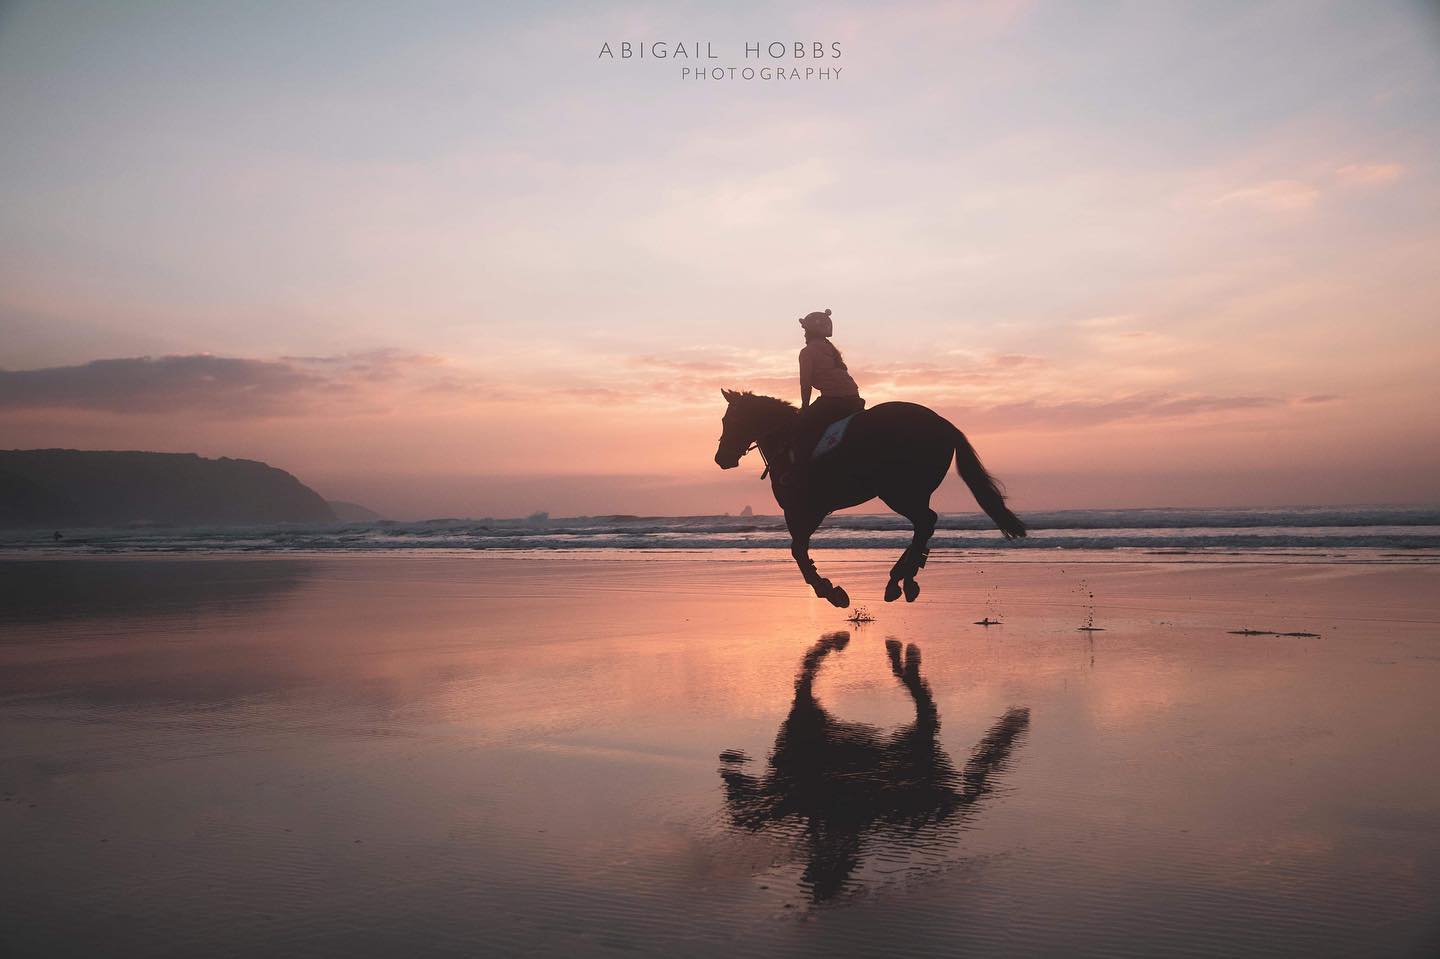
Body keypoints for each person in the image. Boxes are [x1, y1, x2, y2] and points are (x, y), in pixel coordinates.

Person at [781, 308, 865, 489]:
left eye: (805, 330)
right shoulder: (830, 349)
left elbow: (806, 384)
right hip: (854, 399)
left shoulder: (807, 352)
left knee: (801, 430)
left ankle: (799, 474)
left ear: (810, 332)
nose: (803, 334)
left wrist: (804, 407)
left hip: (834, 400)